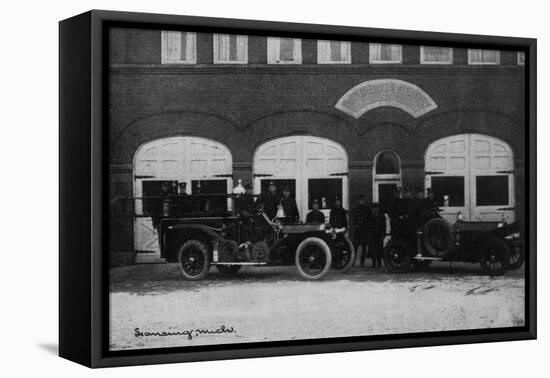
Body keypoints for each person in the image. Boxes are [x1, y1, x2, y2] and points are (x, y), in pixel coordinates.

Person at [352, 194, 371, 267]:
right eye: (360, 200)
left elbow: (369, 220)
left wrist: (368, 229)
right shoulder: (355, 209)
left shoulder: (367, 209)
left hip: (364, 231)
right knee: (355, 247)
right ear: (358, 201)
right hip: (357, 230)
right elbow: (353, 220)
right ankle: (352, 262)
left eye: (362, 200)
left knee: (364, 247)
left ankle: (362, 263)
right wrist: (355, 226)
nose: (361, 201)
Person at [368, 203, 386, 268]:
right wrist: (369, 235)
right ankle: (373, 264)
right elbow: (368, 226)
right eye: (374, 208)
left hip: (379, 235)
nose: (375, 209)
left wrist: (382, 235)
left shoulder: (381, 216)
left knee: (379, 250)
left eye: (376, 208)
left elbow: (384, 227)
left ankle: (379, 264)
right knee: (373, 250)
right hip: (372, 235)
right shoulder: (370, 216)